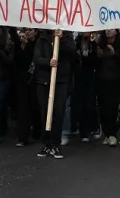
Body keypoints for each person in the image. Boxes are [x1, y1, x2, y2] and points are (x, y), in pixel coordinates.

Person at [34, 28, 76, 159]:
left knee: (58, 112)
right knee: (45, 113)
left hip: (61, 80)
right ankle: (46, 143)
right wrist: (48, 62)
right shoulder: (42, 38)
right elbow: (36, 58)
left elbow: (72, 52)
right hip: (44, 81)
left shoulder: (67, 36)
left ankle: (55, 144)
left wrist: (62, 39)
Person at [95, 29, 120, 147]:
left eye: (111, 29)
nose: (108, 31)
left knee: (113, 108)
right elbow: (94, 64)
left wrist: (115, 54)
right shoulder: (100, 45)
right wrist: (98, 57)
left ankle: (112, 134)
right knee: (102, 108)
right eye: (107, 29)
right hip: (101, 80)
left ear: (116, 31)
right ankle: (106, 134)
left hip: (115, 81)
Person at [14, 28, 40, 147]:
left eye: (31, 30)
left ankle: (37, 132)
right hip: (23, 81)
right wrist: (23, 46)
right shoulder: (20, 45)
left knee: (35, 107)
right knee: (23, 108)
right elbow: (18, 61)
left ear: (35, 32)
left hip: (36, 81)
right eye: (27, 30)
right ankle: (23, 137)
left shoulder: (38, 44)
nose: (28, 32)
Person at [74, 31, 99, 143]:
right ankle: (83, 131)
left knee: (90, 104)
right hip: (78, 78)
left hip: (90, 77)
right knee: (80, 105)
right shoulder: (76, 43)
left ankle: (93, 127)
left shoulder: (94, 44)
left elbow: (96, 62)